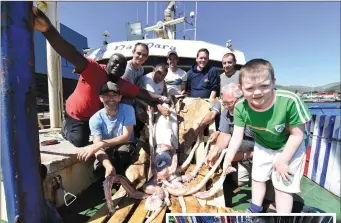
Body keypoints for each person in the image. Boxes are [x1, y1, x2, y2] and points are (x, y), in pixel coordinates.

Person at [32, 7, 169, 147]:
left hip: (96, 117)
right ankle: (65, 128)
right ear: (107, 63)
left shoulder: (121, 83)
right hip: (76, 115)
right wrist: (48, 30)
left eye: (121, 66)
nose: (117, 67)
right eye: (114, 63)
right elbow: (71, 53)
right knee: (80, 141)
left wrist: (163, 98)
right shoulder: (93, 69)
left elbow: (142, 93)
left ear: (123, 71)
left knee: (112, 141)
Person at [222, 59, 311, 213]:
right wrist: (228, 159)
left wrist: (282, 160)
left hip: (289, 145)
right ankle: (254, 210)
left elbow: (297, 135)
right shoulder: (240, 108)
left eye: (264, 86)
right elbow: (236, 136)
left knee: (282, 186)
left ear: (273, 82)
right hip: (263, 144)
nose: (257, 92)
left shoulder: (289, 101)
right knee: (257, 178)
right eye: (250, 88)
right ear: (240, 88)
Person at [77, 81, 137, 177]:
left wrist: (99, 144)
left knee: (122, 154)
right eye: (106, 95)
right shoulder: (95, 119)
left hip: (126, 144)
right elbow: (97, 148)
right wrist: (108, 166)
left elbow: (126, 137)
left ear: (119, 98)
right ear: (101, 98)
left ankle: (124, 182)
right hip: (107, 147)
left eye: (114, 95)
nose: (111, 98)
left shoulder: (128, 109)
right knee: (100, 168)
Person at [206, 83, 254, 187]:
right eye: (224, 103)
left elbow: (265, 148)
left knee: (260, 182)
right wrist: (216, 151)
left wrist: (245, 155)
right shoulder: (226, 112)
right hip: (239, 154)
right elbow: (225, 135)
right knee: (238, 181)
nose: (227, 107)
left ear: (241, 99)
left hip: (258, 155)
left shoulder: (253, 114)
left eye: (230, 103)